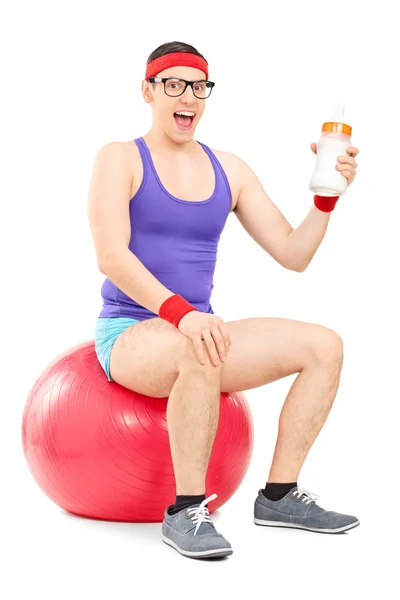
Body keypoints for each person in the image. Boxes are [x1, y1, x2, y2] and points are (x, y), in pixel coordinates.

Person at [87, 40, 360, 560]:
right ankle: (186, 511)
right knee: (201, 348)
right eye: (174, 85)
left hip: (197, 332)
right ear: (148, 91)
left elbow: (293, 252)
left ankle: (279, 495)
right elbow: (111, 256)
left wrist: (326, 198)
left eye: (199, 87)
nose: (188, 97)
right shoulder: (119, 158)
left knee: (325, 346)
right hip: (129, 332)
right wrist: (182, 315)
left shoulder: (229, 169)